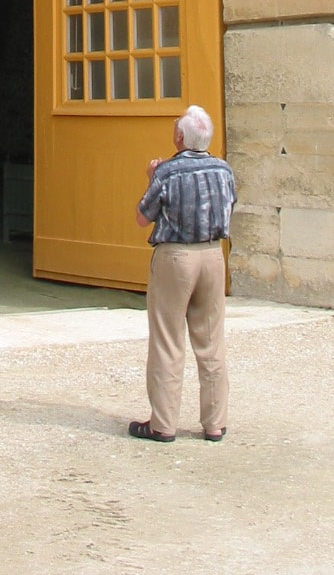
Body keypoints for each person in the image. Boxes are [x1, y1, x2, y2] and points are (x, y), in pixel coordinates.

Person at [128, 104, 236, 444]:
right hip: (211, 254)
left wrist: (150, 177)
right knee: (211, 340)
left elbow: (143, 217)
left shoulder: (167, 172)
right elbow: (231, 204)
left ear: (179, 137)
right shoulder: (224, 170)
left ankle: (163, 424)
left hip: (175, 256)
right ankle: (214, 423)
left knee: (167, 339)